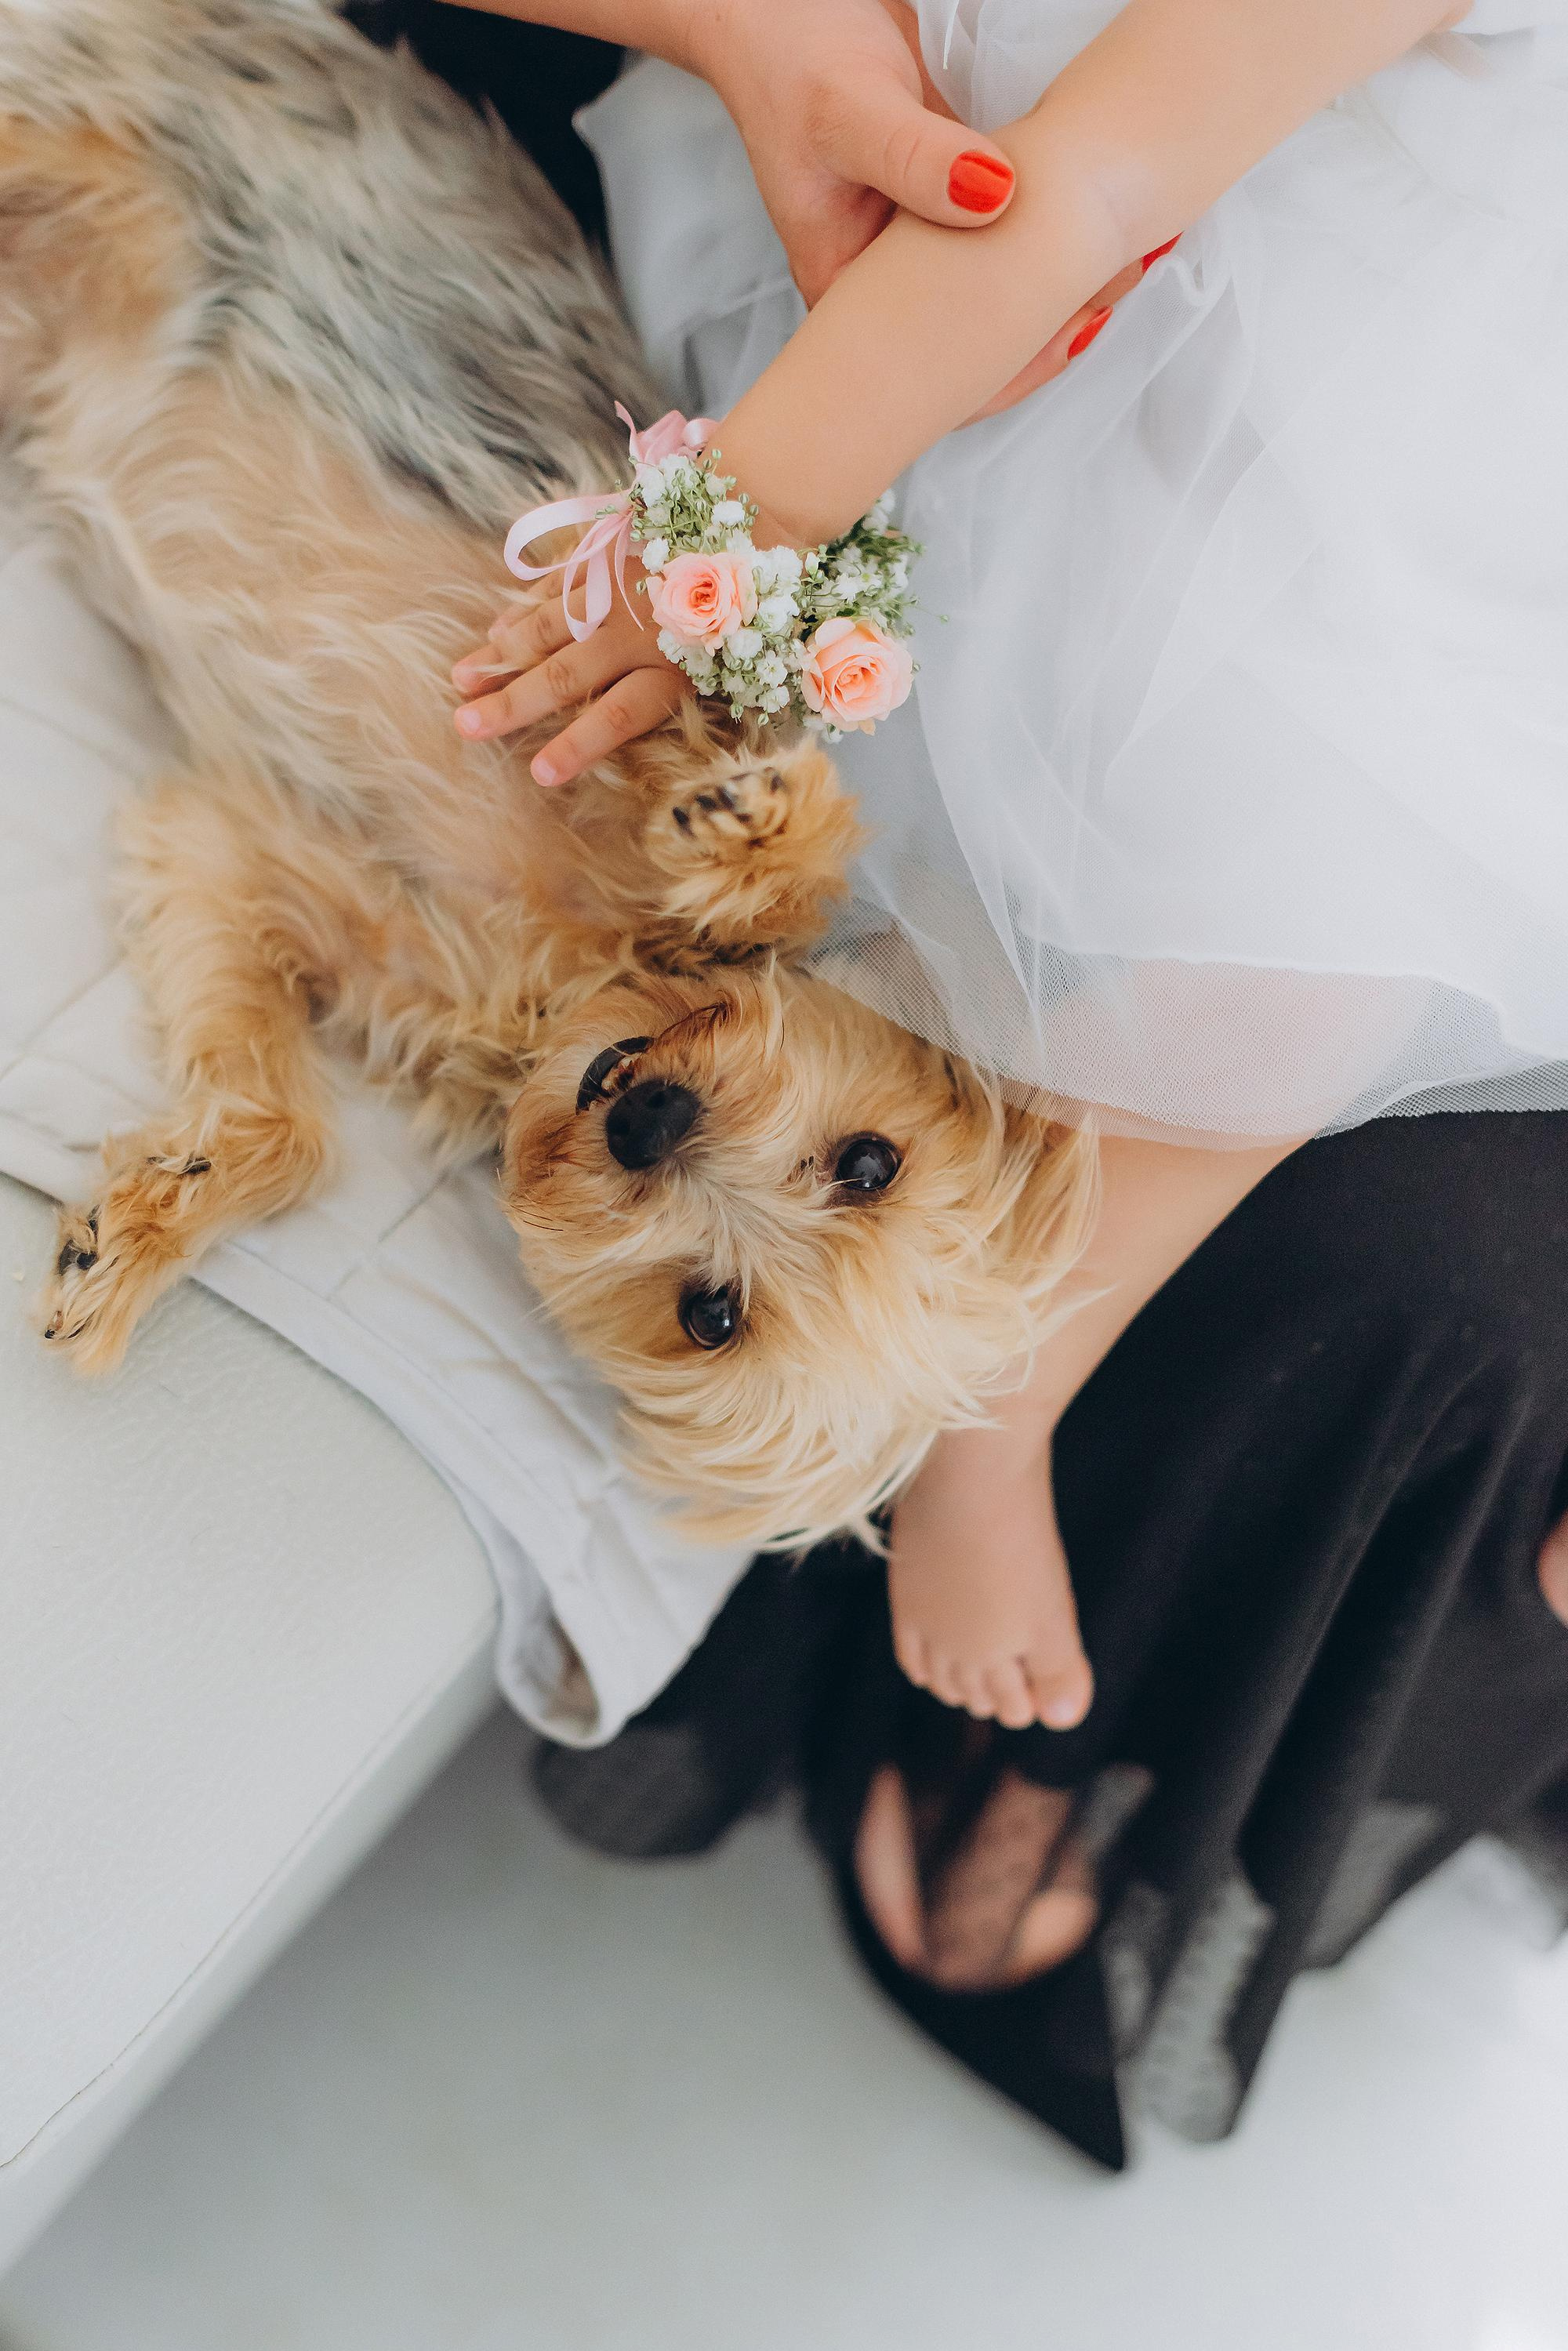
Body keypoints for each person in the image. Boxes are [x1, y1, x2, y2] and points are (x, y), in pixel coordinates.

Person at [389, 0, 1568, 2160]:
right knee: (1322, 862)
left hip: (1418, 399)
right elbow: (1078, 193)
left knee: (1376, 862)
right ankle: (991, 1386)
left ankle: (1034, 1456)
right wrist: (736, 540)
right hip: (1063, 292)